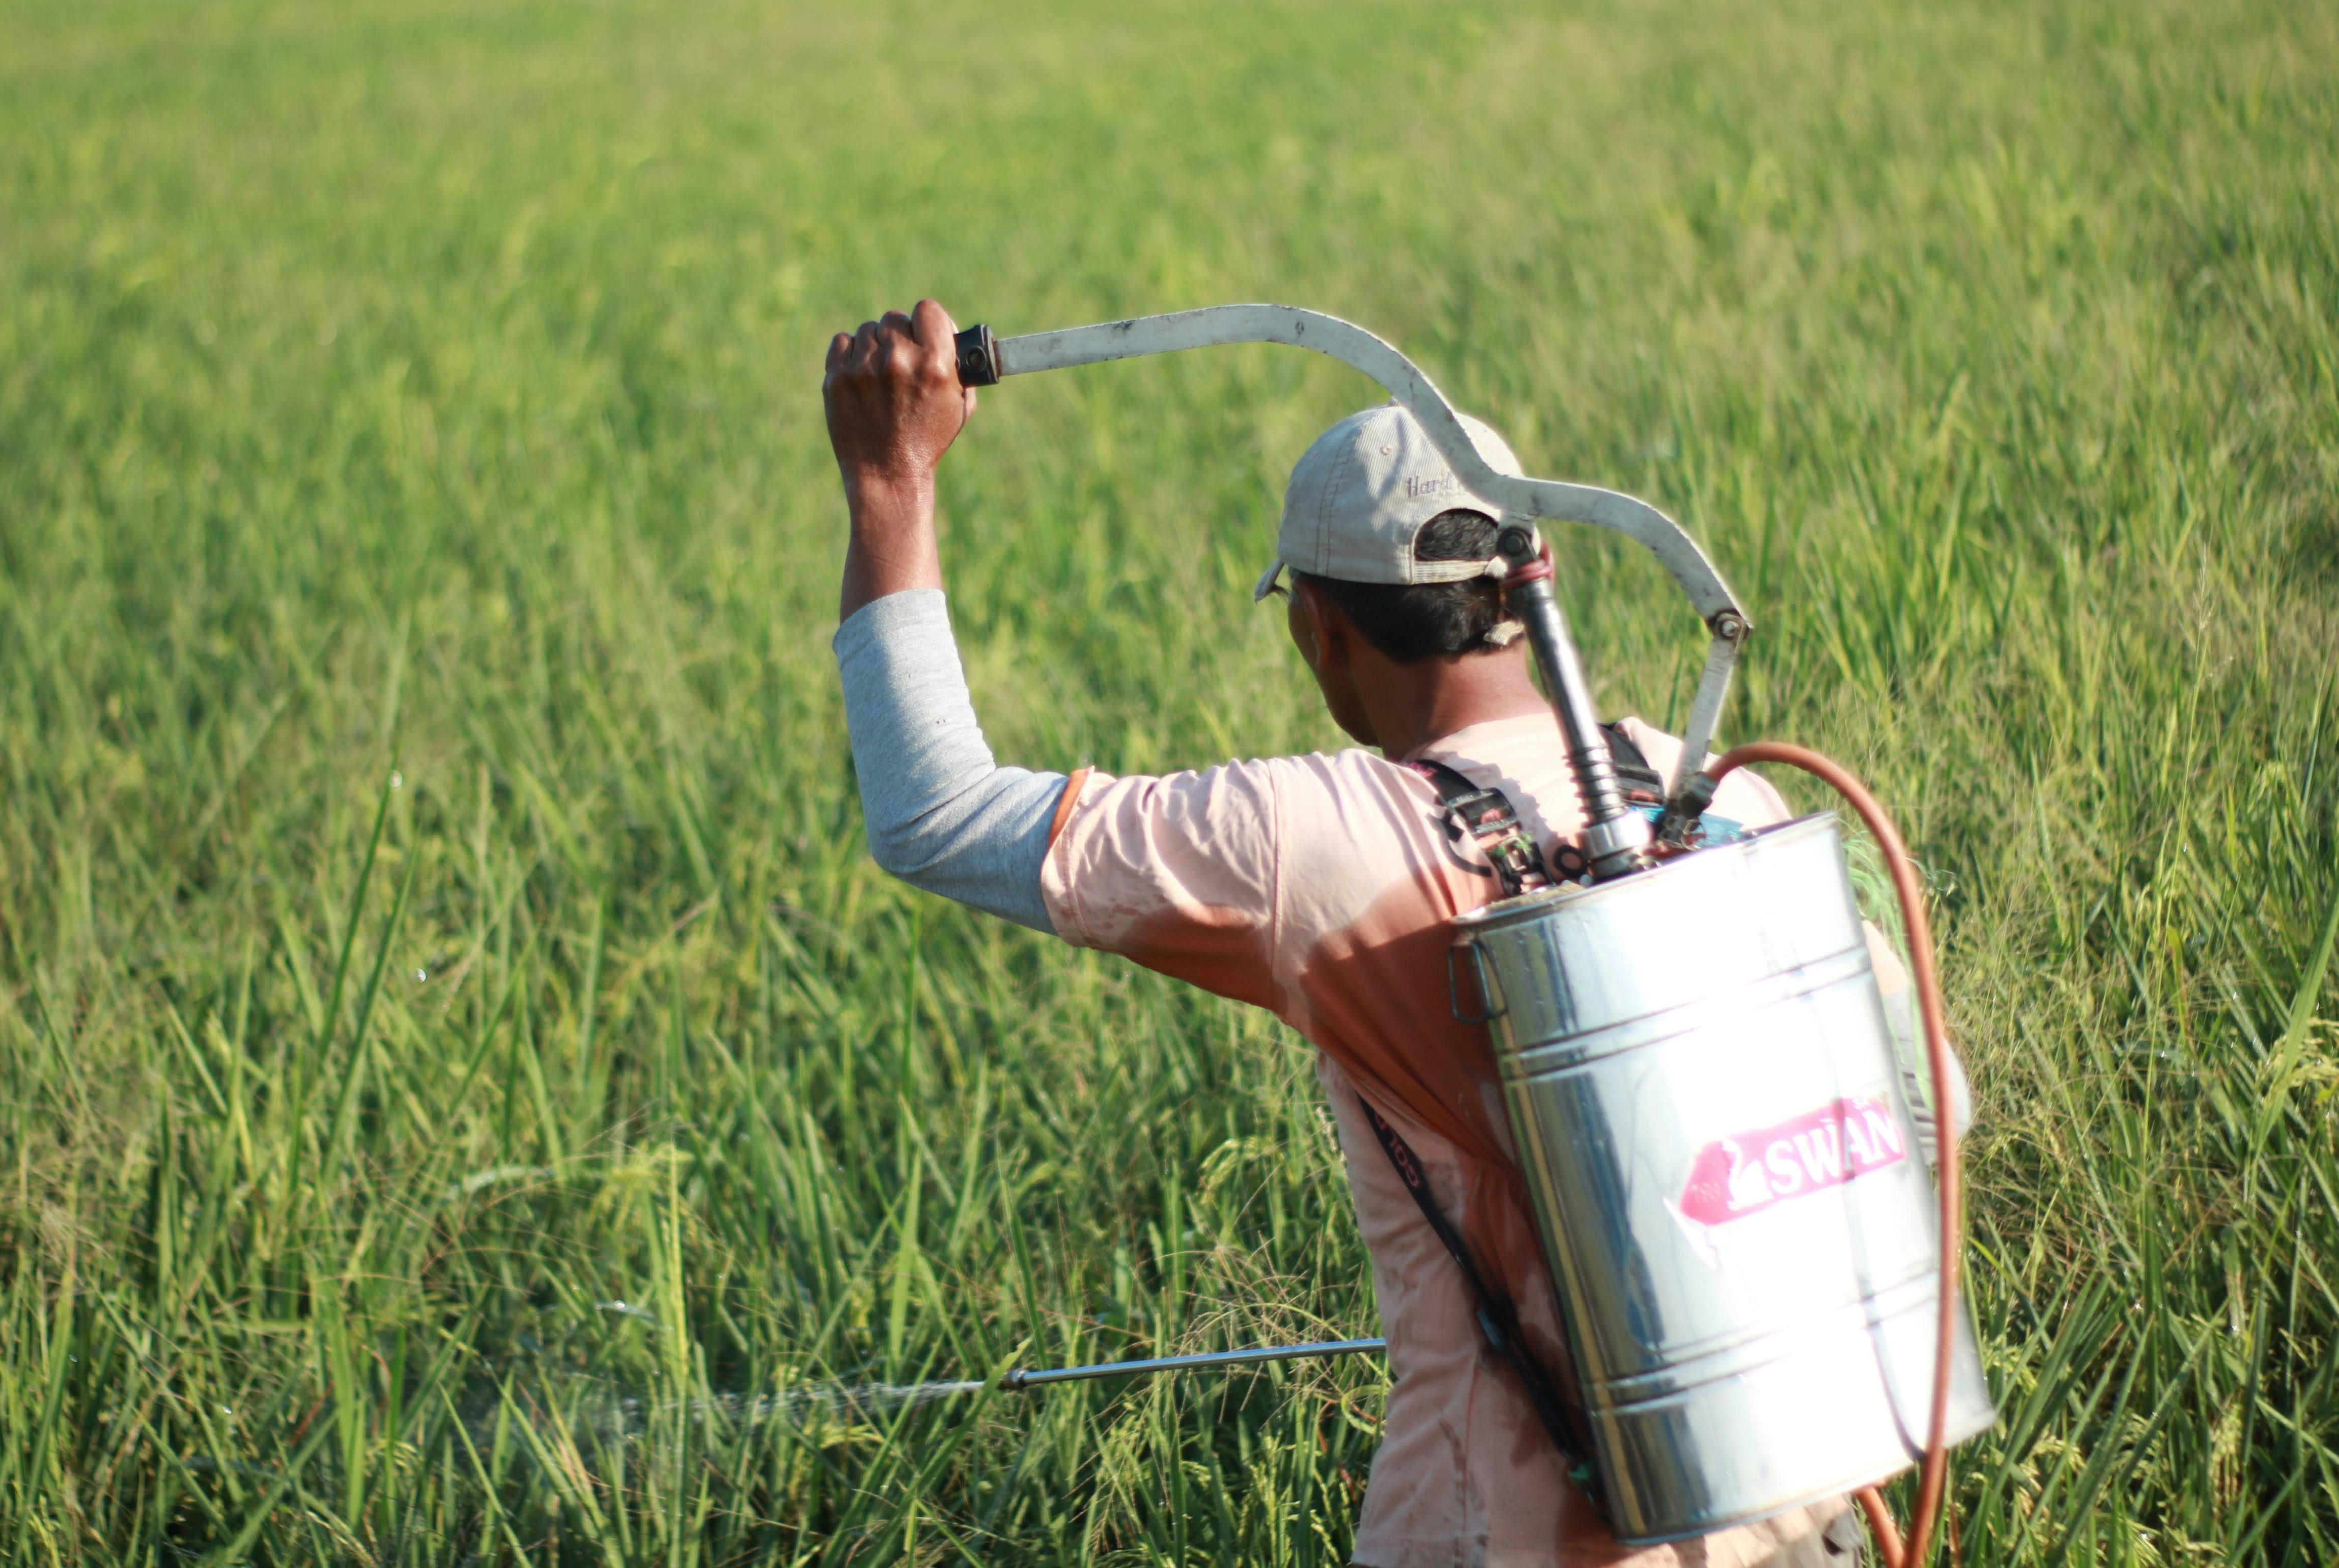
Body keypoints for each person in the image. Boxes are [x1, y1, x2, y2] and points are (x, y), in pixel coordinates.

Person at [822, 300, 1934, 1567]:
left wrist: (889, 478)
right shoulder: (1721, 794)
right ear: (1517, 595)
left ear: (1320, 628)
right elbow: (1922, 1104)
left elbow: (932, 814)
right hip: (1812, 1508)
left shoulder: (1318, 836)